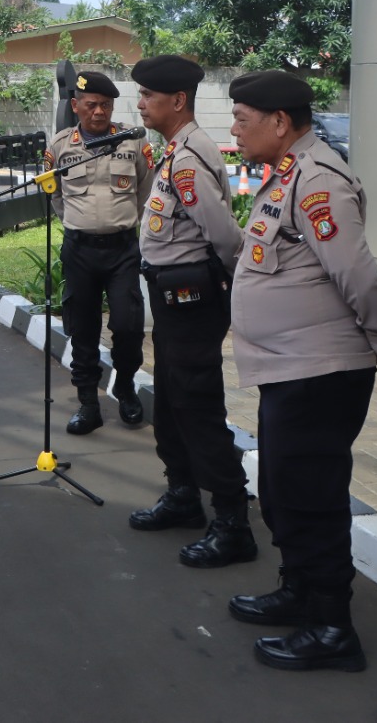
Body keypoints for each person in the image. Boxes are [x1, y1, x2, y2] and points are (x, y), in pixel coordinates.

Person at [226, 70, 377, 673]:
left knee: (310, 496)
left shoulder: (319, 181)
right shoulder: (289, 174)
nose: (234, 129)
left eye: (243, 119)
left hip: (321, 371)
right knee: (282, 491)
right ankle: (300, 591)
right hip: (292, 368)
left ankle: (333, 626)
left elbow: (356, 273)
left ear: (281, 123)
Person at [127, 55, 255, 568]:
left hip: (192, 298)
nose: (139, 104)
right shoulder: (175, 150)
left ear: (177, 101)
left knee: (197, 406)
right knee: (174, 401)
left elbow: (225, 238)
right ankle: (183, 495)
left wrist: (222, 287)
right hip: (174, 296)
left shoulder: (187, 160)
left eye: (147, 96)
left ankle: (232, 521)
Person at [45, 70, 156, 433]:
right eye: (91, 105)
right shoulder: (61, 146)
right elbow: (56, 198)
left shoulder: (132, 142)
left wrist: (117, 222)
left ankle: (124, 386)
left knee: (127, 325)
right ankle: (88, 404)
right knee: (83, 328)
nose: (98, 112)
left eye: (105, 105)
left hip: (122, 249)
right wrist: (82, 224)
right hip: (79, 251)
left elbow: (145, 190)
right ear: (75, 106)